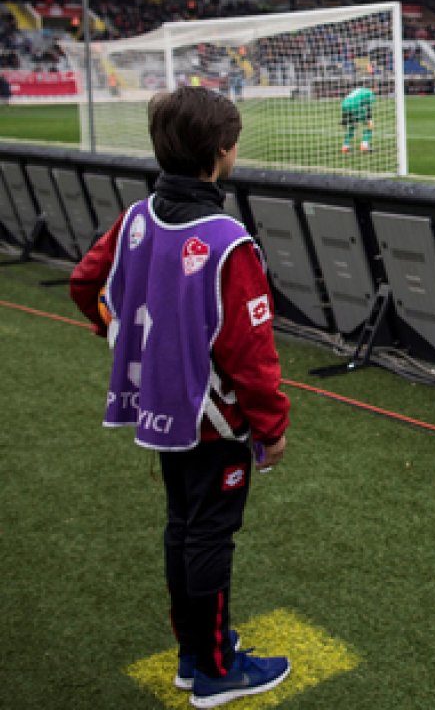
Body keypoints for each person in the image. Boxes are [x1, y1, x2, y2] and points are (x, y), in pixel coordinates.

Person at [68, 86, 291, 708]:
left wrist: (123, 335)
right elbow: (249, 353)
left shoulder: (138, 217)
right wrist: (272, 427)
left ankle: (195, 653)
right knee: (210, 534)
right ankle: (216, 670)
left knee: (182, 526)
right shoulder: (228, 239)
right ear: (221, 152)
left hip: (158, 407)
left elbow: (86, 284)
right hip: (214, 420)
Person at [340, 85, 375, 153]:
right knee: (369, 125)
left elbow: (347, 101)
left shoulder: (358, 90)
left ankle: (345, 146)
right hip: (355, 106)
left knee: (352, 126)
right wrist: (369, 119)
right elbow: (368, 106)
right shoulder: (369, 92)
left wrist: (344, 119)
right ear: (373, 88)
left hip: (344, 105)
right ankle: (364, 145)